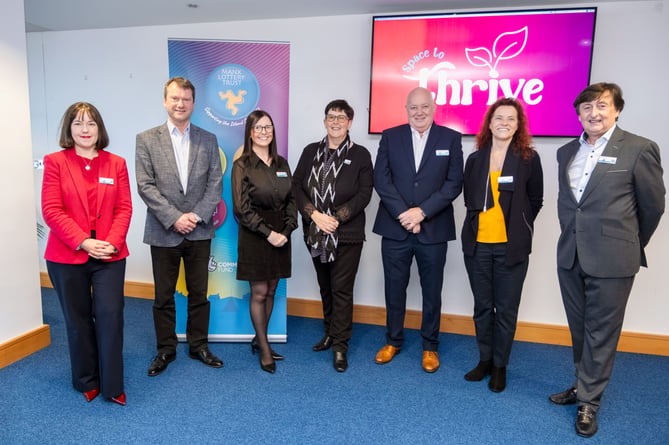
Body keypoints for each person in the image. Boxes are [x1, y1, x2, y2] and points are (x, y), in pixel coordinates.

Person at [549, 82, 664, 437]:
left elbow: (653, 206)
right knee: (581, 328)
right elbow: (570, 204)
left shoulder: (638, 149)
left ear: (616, 109)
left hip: (614, 258)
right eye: (586, 107)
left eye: (601, 105)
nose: (593, 113)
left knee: (601, 332)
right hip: (571, 254)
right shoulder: (567, 151)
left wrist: (628, 243)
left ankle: (590, 403)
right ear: (578, 113)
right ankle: (583, 385)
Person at [42, 102, 132, 405]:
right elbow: (52, 211)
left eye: (91, 124)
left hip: (109, 254)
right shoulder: (55, 162)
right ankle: (86, 380)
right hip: (67, 255)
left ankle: (113, 385)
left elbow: (124, 208)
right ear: (69, 128)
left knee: (110, 317)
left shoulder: (116, 163)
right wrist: (83, 241)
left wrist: (113, 242)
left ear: (99, 129)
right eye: (78, 123)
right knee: (77, 320)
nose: (84, 130)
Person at [136, 77, 223, 377]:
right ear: (165, 101)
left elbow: (215, 184)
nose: (180, 104)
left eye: (186, 99)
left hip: (199, 231)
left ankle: (199, 345)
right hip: (163, 231)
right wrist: (175, 217)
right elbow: (145, 186)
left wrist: (196, 216)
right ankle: (166, 349)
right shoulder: (146, 139)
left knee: (199, 293)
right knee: (163, 296)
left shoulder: (208, 139)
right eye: (175, 98)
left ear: (193, 104)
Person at [372, 87, 463, 373]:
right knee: (394, 288)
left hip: (433, 228)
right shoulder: (390, 136)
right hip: (395, 227)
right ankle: (393, 340)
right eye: (413, 107)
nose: (419, 112)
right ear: (406, 109)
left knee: (432, 290)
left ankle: (430, 346)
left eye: (424, 106)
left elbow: (454, 183)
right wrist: (404, 214)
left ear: (434, 107)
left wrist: (422, 212)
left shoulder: (450, 138)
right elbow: (381, 179)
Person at [461, 98, 543, 392]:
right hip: (478, 245)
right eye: (499, 118)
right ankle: (484, 360)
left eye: (511, 118)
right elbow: (469, 198)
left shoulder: (528, 159)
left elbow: (535, 200)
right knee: (483, 307)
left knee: (506, 309)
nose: (504, 123)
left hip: (511, 248)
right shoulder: (475, 159)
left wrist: (519, 225)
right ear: (489, 123)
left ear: (518, 124)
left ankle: (499, 366)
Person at [293, 100, 374, 372]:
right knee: (325, 285)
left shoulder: (361, 155)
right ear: (325, 121)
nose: (336, 121)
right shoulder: (310, 152)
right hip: (315, 231)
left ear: (350, 122)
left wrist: (336, 218)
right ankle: (329, 332)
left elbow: (364, 194)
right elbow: (296, 187)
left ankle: (340, 345)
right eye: (331, 116)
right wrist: (314, 215)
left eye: (341, 117)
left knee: (341, 289)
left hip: (346, 234)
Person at [231, 110, 297, 374]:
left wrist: (288, 229)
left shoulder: (282, 163)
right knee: (259, 292)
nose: (263, 132)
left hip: (282, 235)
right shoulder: (242, 165)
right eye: (258, 128)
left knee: (271, 291)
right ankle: (265, 348)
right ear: (250, 132)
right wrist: (268, 233)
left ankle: (260, 340)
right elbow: (241, 208)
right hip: (256, 234)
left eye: (268, 127)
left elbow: (292, 200)